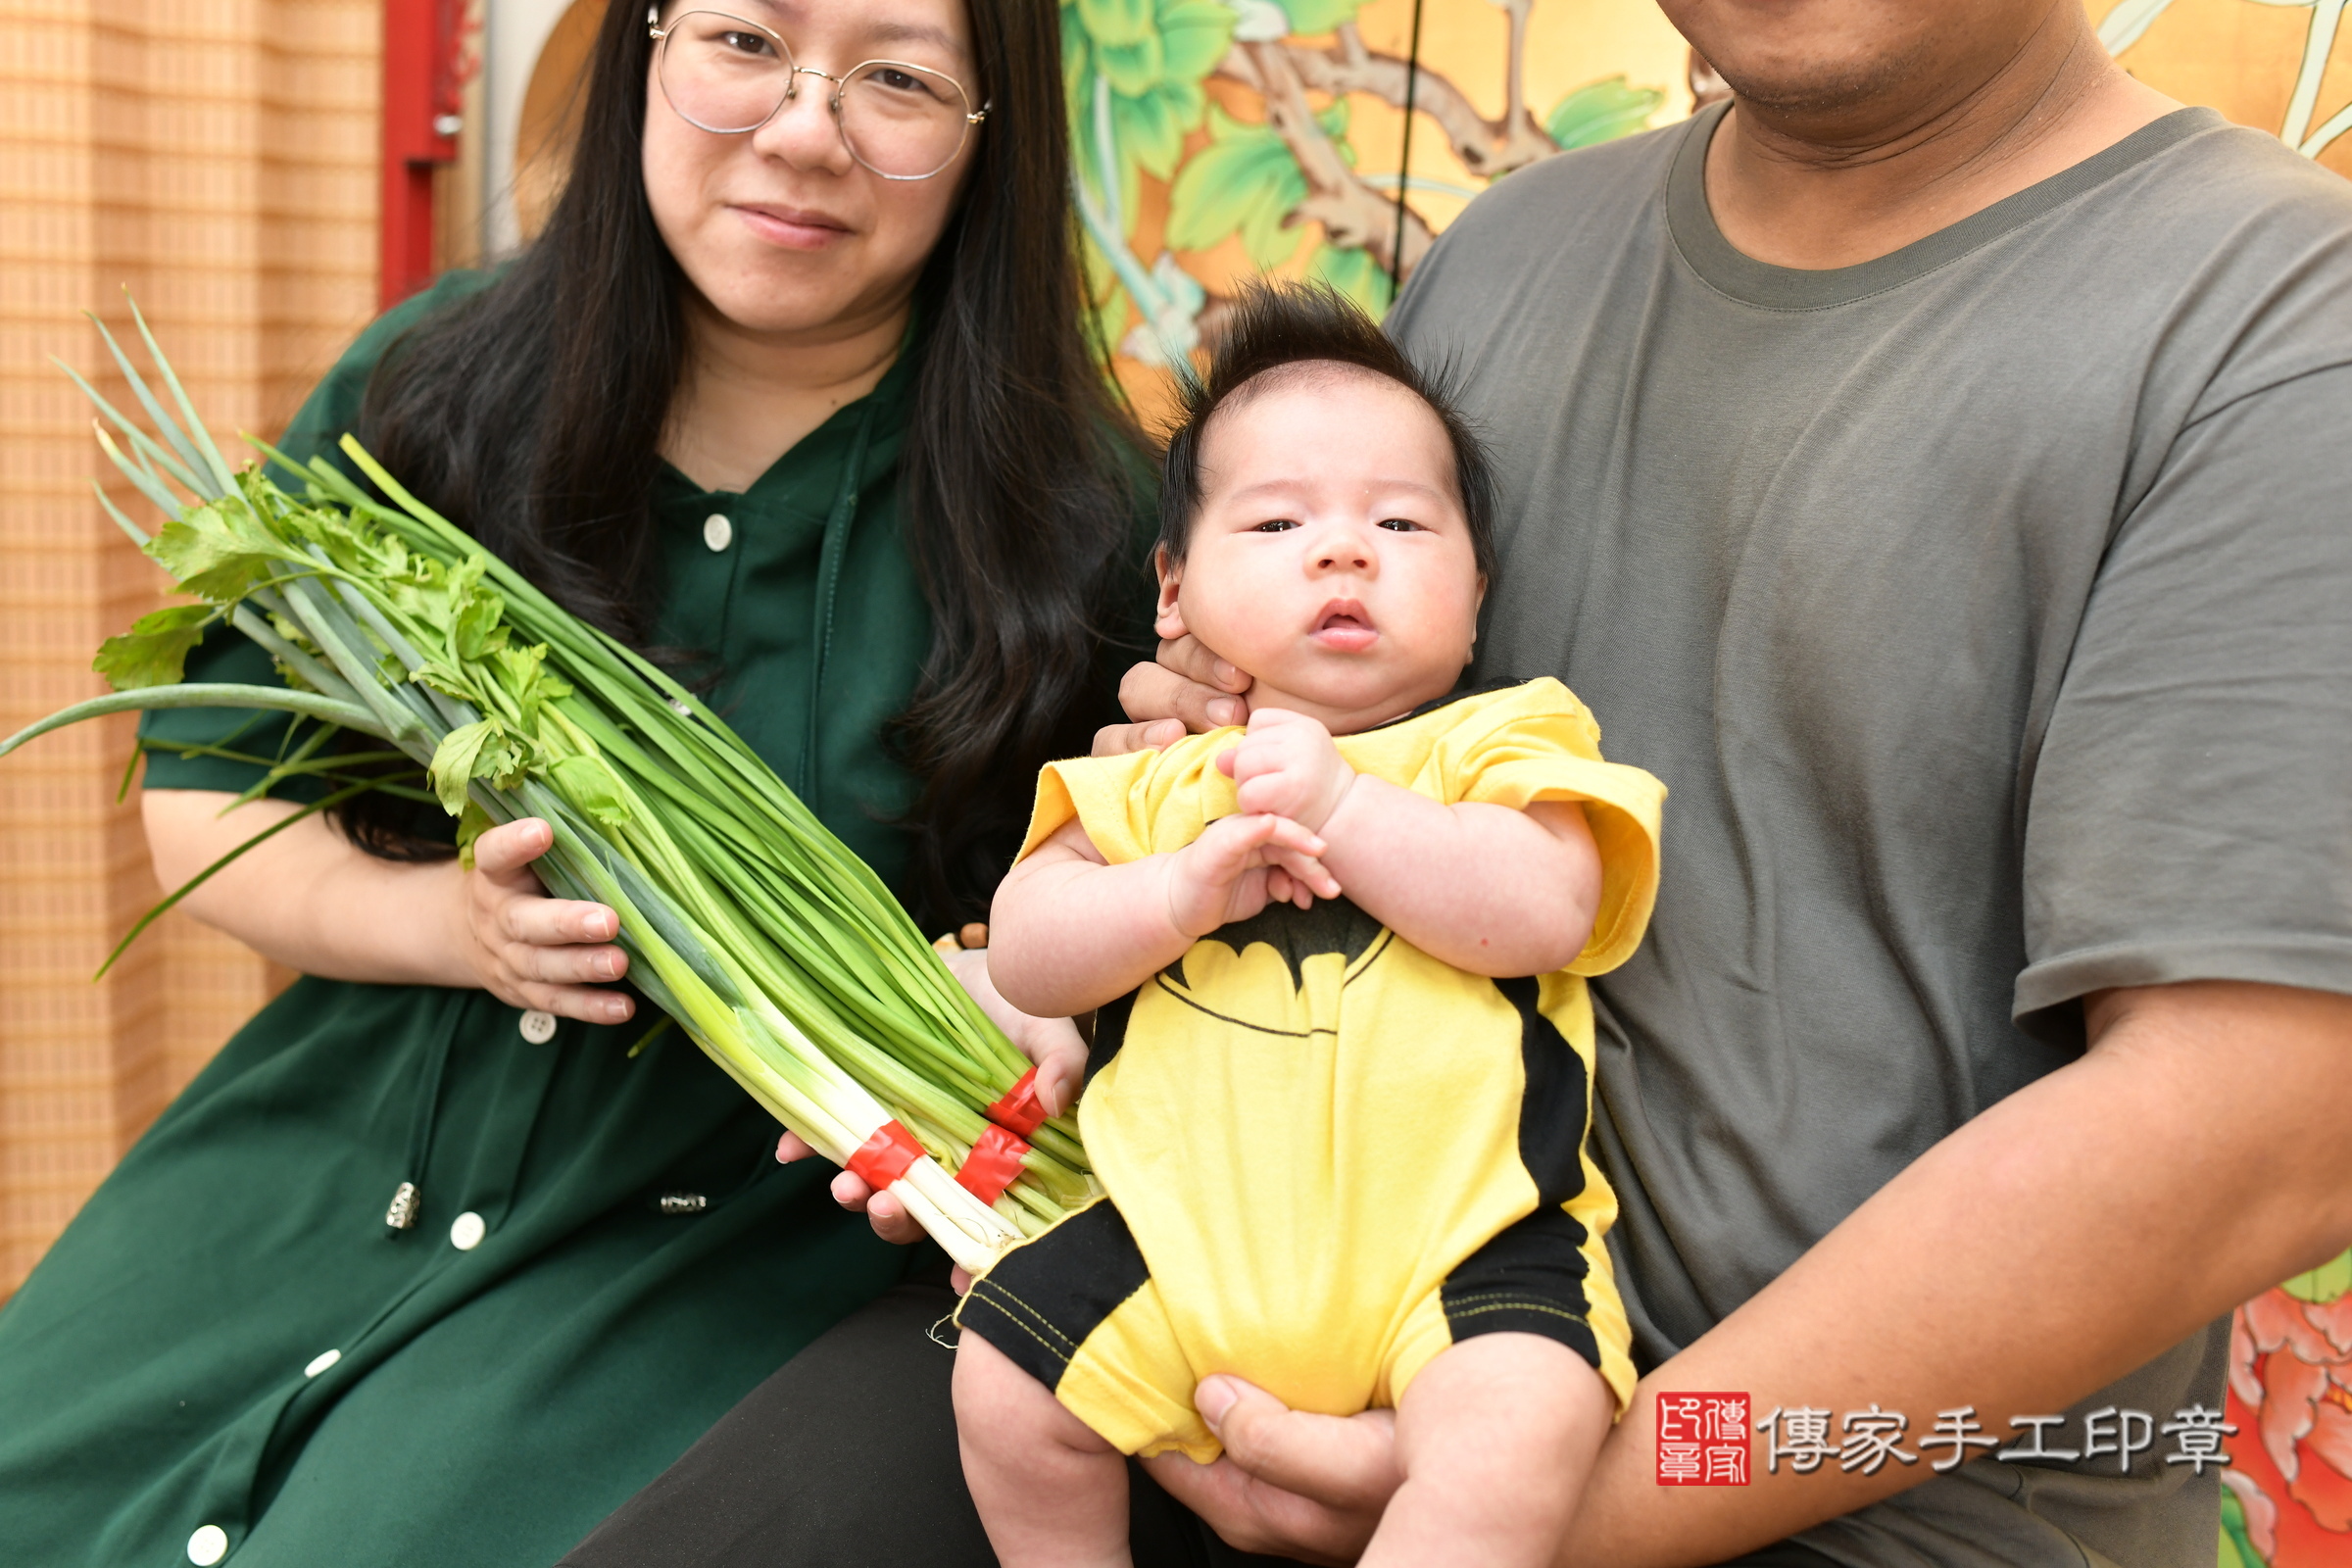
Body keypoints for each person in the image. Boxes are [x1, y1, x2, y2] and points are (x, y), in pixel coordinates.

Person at [1089, 2, 2352, 1563]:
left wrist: (1558, 1506)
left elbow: (2268, 1126)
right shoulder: (1509, 255)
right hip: (1350, 1380)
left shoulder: (2286, 317)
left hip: (1879, 1521)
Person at [0, 0, 1152, 1560]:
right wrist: (444, 929)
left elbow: (1143, 950)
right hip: (332, 1160)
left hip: (704, 1254)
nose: (807, 127)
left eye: (897, 76)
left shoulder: (1089, 519)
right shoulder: (432, 389)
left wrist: (1045, 1010)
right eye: (745, 39)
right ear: (647, 49)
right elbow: (210, 793)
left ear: (989, 131)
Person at [956, 284, 1666, 1568]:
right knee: (1001, 1379)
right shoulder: (1157, 780)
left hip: (1459, 1262)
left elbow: (1549, 908)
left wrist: (1350, 807)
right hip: (1176, 1258)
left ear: (1475, 588)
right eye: (1280, 521)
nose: (1345, 551)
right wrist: (1174, 893)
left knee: (1525, 1424)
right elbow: (1027, 946)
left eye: (1401, 522)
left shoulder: (1500, 742)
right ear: (1173, 591)